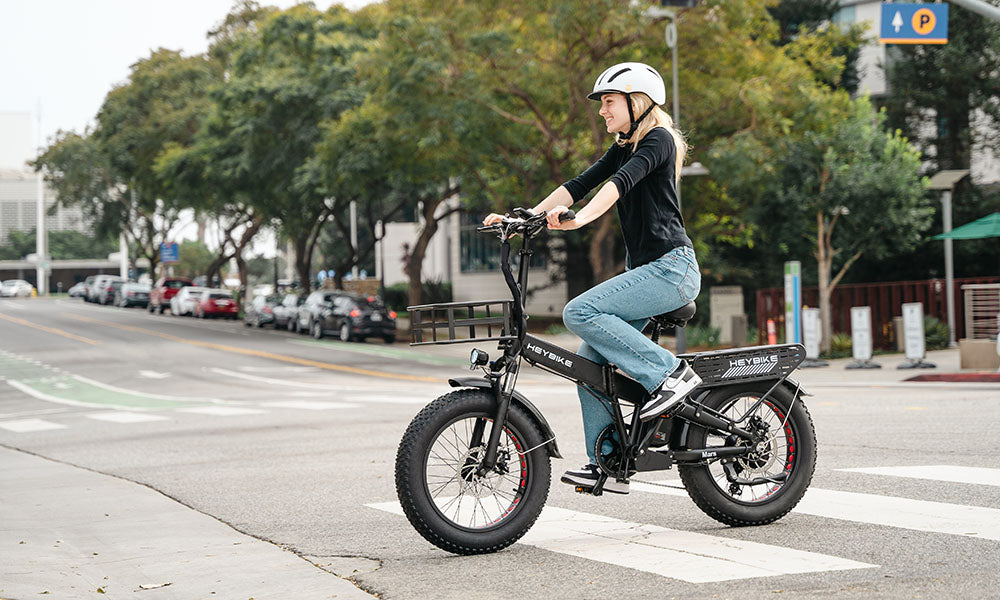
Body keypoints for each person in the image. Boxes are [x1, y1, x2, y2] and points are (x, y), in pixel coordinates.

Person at [483, 62, 702, 495]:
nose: (602, 111)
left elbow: (618, 186)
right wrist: (523, 217)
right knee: (589, 364)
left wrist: (580, 220)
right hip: (645, 273)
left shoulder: (658, 140)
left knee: (579, 311)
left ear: (636, 102)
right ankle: (610, 461)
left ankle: (670, 375)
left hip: (672, 270)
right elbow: (579, 183)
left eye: (609, 102)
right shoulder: (624, 146)